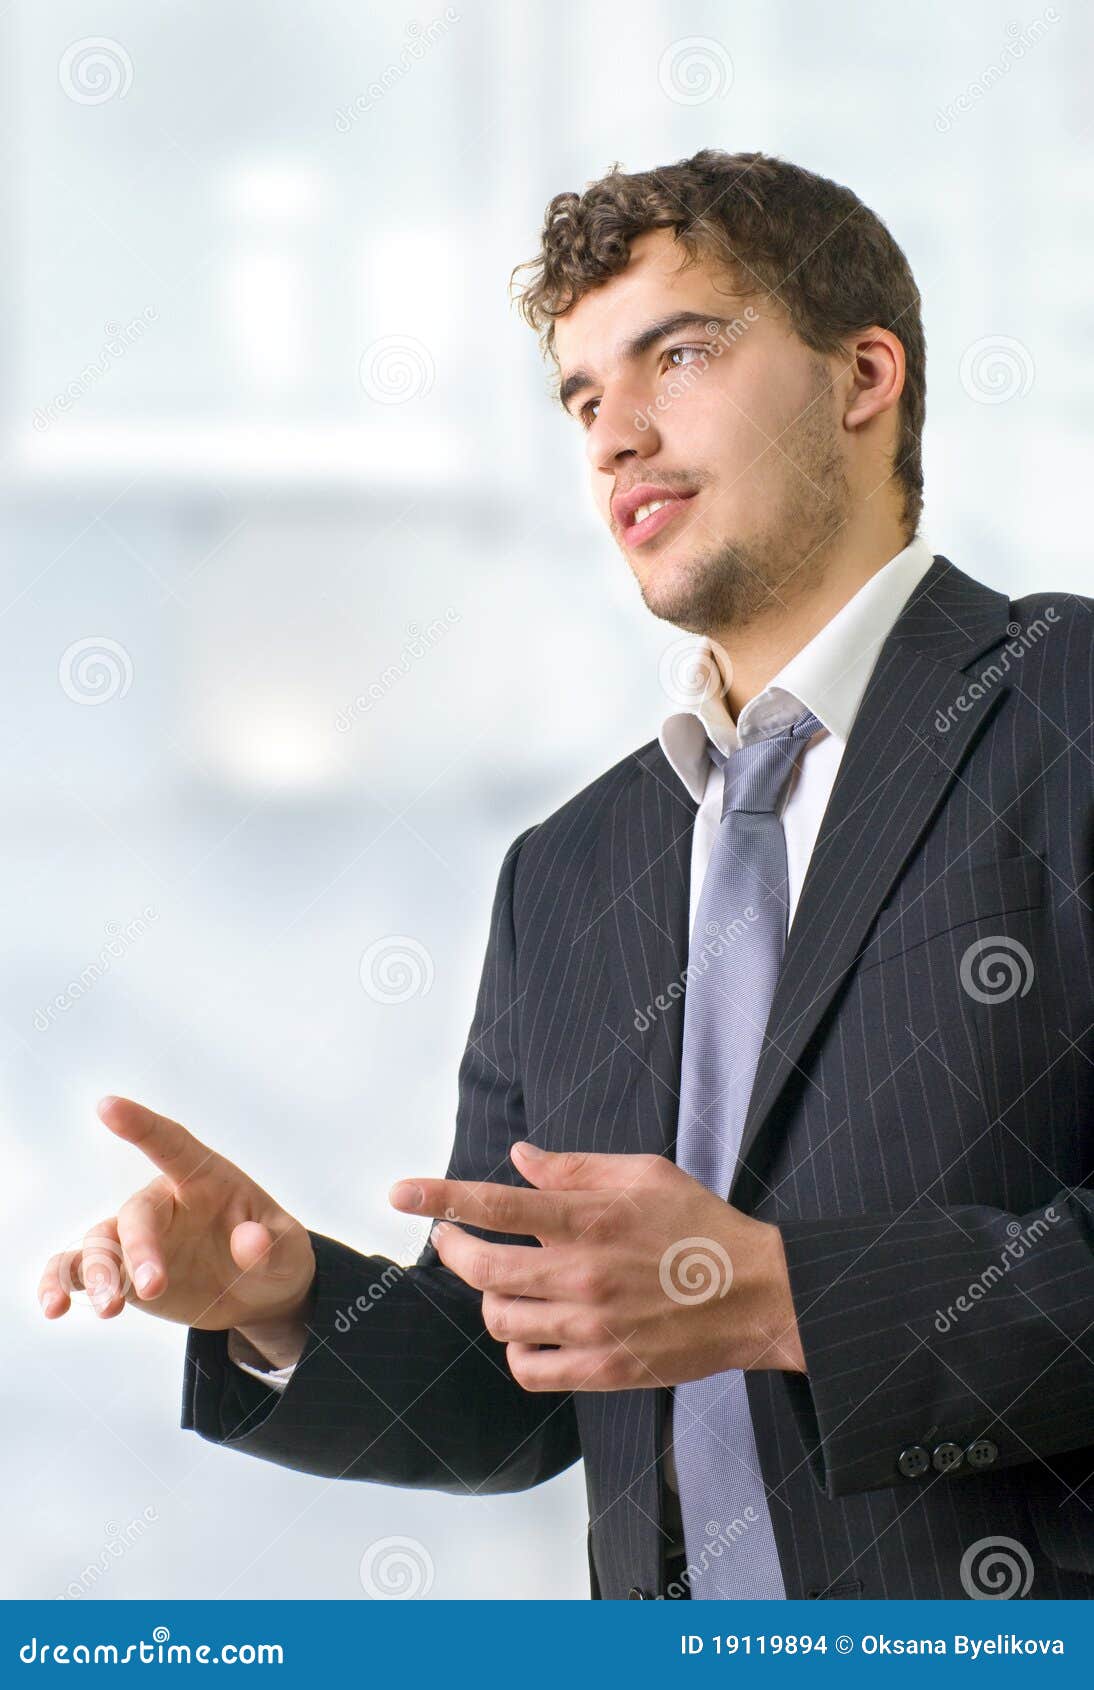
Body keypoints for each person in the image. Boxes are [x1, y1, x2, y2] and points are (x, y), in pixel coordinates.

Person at [39, 149, 1094, 1602]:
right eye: (585, 398)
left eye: (680, 355)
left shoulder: (1066, 704)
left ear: (863, 377)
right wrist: (278, 1300)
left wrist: (780, 1297)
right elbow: (514, 1390)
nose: (615, 437)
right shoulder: (568, 870)